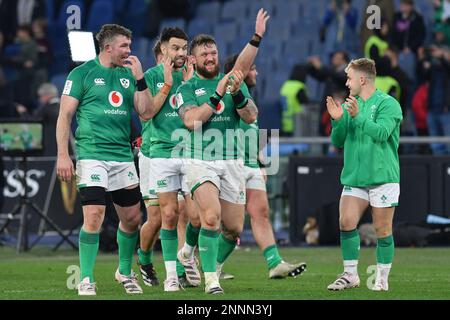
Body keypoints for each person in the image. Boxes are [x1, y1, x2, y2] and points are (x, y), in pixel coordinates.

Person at [56, 24, 156, 296]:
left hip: (122, 156)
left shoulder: (129, 75)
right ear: (108, 47)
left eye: (129, 45)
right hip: (91, 155)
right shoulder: (82, 74)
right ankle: (86, 279)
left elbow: (146, 112)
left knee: (133, 219)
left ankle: (124, 272)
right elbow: (64, 116)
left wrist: (141, 79)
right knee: (95, 216)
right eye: (124, 46)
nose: (129, 51)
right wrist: (63, 155)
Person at [175, 9, 269, 294]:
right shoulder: (187, 88)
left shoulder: (233, 84)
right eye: (204, 54)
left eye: (213, 53)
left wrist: (237, 93)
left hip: (232, 161)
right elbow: (192, 122)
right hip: (200, 159)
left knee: (234, 229)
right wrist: (217, 94)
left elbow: (251, 116)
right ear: (193, 59)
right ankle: (212, 279)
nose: (210, 58)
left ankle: (188, 250)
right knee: (211, 217)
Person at [221, 54, 307, 279]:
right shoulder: (229, 95)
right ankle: (208, 267)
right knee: (232, 227)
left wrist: (261, 162)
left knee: (261, 213)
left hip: (251, 164)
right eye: (253, 69)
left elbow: (254, 132)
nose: (257, 73)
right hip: (233, 163)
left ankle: (274, 263)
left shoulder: (249, 97)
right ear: (241, 71)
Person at [326, 58, 402, 291]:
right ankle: (350, 275)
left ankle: (381, 279)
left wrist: (357, 117)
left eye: (349, 78)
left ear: (362, 79)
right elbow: (337, 141)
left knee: (382, 230)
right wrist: (337, 120)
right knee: (346, 222)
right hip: (355, 177)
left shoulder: (389, 104)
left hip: (383, 177)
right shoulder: (351, 105)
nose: (347, 83)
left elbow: (381, 133)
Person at [137, 27, 201, 292]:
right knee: (159, 218)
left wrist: (190, 82)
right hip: (156, 154)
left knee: (194, 215)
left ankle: (185, 257)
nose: (181, 53)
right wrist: (167, 83)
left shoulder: (191, 78)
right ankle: (145, 261)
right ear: (162, 49)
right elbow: (146, 114)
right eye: (175, 48)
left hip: (187, 152)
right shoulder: (150, 76)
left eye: (184, 48)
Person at [33, 83, 59, 156]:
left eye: (41, 96)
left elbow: (35, 121)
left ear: (47, 95)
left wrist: (24, 113)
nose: (40, 99)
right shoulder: (64, 105)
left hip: (51, 146)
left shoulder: (47, 108)